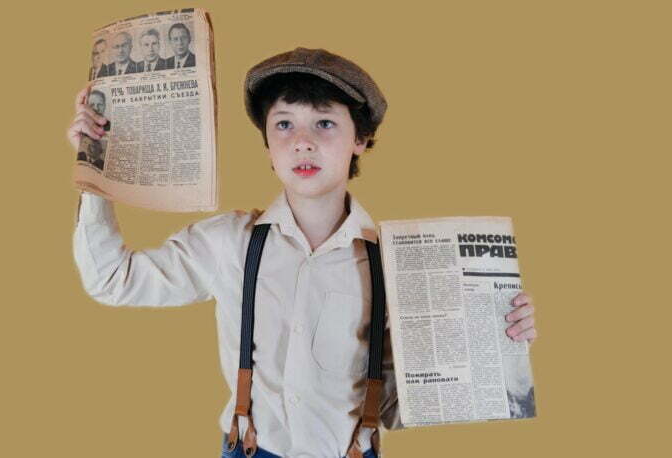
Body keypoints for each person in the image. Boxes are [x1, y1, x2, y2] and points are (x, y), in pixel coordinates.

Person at [67, 47, 538, 457]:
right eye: (284, 124)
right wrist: (95, 168)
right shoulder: (228, 242)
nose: (303, 141)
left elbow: (396, 408)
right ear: (268, 146)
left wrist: (496, 343)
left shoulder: (398, 263)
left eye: (325, 123)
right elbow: (112, 279)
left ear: (361, 139)